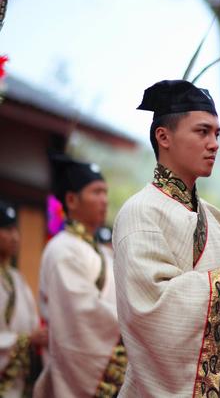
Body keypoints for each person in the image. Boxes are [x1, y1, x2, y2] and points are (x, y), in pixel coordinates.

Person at [113, 80, 220, 397]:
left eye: (217, 134)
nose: (214, 143)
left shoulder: (217, 219)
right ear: (163, 137)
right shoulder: (140, 212)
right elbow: (149, 309)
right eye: (202, 132)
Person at [34, 155, 126, 397]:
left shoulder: (99, 252)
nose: (104, 200)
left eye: (105, 192)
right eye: (96, 192)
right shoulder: (61, 249)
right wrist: (134, 323)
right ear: (72, 200)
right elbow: (81, 315)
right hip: (82, 369)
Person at [0, 201, 47, 397]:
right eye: (7, 230)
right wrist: (25, 339)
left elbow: (31, 326)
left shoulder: (16, 278)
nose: (15, 237)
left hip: (18, 381)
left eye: (15, 230)